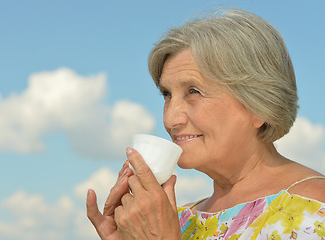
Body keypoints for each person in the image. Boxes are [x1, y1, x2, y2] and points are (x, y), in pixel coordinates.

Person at [86, 8, 325, 239]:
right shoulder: (178, 220)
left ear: (259, 105)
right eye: (167, 95)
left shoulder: (313, 213)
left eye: (194, 91)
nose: (170, 119)